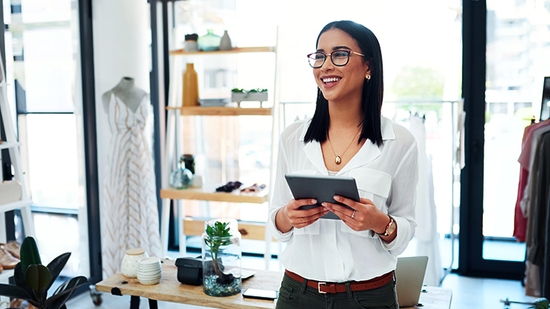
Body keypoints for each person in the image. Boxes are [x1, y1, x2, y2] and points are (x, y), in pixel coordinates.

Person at [267, 20, 418, 309]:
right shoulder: (292, 138)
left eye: (340, 54)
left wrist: (379, 223)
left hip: (369, 297)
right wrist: (288, 216)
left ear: (369, 67)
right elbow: (276, 222)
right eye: (319, 56)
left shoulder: (400, 142)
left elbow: (406, 228)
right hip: (297, 294)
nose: (325, 66)